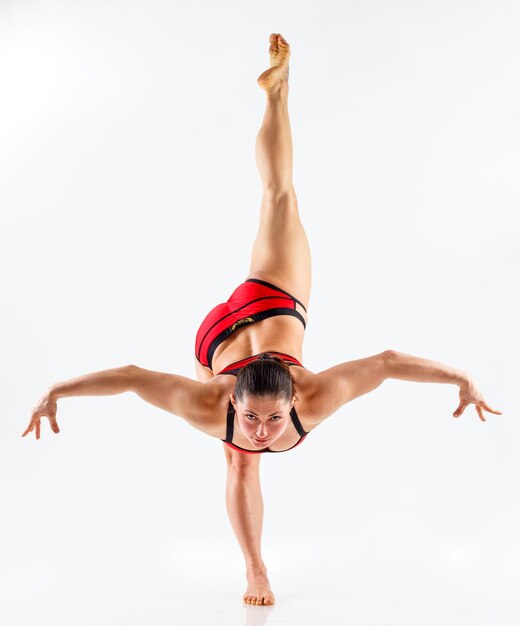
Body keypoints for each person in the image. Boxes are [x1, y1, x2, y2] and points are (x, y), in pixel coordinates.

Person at [22, 33, 502, 606]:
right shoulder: (216, 405)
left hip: (219, 336)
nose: (261, 430)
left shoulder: (314, 395)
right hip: (260, 305)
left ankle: (278, 92)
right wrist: (57, 390)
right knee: (280, 202)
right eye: (252, 417)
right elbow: (128, 375)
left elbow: (389, 363)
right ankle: (256, 571)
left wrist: (462, 378)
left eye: (271, 420)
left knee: (280, 200)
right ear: (233, 400)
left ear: (293, 401)